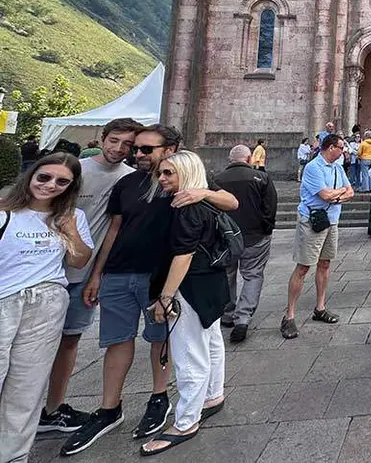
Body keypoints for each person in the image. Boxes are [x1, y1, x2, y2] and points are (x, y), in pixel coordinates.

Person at [60, 125, 238, 457]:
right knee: (195, 340)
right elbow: (115, 229)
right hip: (132, 272)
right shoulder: (129, 183)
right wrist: (97, 274)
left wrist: (203, 192)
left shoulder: (187, 194)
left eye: (146, 149)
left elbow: (222, 209)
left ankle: (181, 417)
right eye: (134, 149)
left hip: (174, 280)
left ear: (171, 150)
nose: (137, 154)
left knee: (182, 348)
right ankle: (118, 406)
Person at [41, 118, 141, 435]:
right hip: (44, 270)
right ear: (102, 137)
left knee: (69, 340)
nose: (119, 148)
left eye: (128, 144)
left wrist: (97, 275)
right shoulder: (74, 170)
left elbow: (113, 229)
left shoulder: (131, 178)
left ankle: (52, 408)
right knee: (29, 344)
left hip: (83, 272)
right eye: (114, 140)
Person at [0, 153, 93, 462]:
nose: (51, 185)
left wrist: (70, 228)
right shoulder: (5, 211)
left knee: (27, 386)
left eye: (61, 181)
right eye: (45, 177)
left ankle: (13, 455)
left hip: (47, 303)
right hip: (5, 300)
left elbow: (79, 260)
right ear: (31, 175)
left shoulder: (72, 216)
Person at [139, 151, 230, 455]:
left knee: (189, 353)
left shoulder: (187, 207)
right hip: (212, 283)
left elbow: (183, 255)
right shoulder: (204, 201)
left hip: (189, 288)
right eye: (161, 174)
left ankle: (186, 421)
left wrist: (165, 297)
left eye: (169, 174)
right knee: (212, 341)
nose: (162, 179)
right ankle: (213, 395)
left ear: (187, 174)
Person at [283, 133, 353, 339]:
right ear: (331, 147)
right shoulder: (313, 167)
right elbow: (324, 195)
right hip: (312, 221)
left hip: (332, 220)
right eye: (341, 147)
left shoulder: (338, 168)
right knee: (303, 266)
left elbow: (351, 192)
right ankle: (289, 316)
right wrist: (339, 193)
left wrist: (337, 194)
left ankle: (320, 307)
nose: (344, 151)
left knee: (325, 264)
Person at [214, 145, 278, 343]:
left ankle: (227, 313)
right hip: (254, 236)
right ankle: (243, 318)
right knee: (253, 275)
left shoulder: (216, 180)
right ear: (250, 158)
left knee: (227, 274)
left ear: (230, 159)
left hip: (225, 237)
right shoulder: (261, 178)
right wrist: (266, 229)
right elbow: (270, 206)